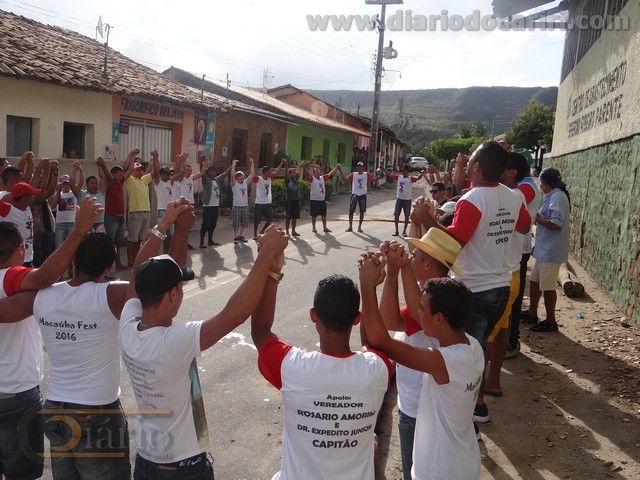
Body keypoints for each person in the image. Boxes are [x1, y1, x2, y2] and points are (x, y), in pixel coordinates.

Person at [119, 200, 288, 479]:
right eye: (180, 287)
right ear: (173, 294)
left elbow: (138, 272)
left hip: (148, 463)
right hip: (182, 470)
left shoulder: (129, 324)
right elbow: (234, 314)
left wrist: (169, 226)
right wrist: (266, 256)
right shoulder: (172, 342)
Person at [411, 140, 531, 426]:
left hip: (474, 289)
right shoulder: (513, 197)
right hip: (501, 286)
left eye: (470, 162)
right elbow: (525, 226)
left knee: (466, 354)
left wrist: (427, 219)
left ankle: (469, 413)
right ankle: (476, 405)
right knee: (478, 349)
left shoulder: (473, 199)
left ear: (476, 167)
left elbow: (454, 243)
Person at [0, 233, 131, 479]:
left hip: (55, 407)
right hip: (96, 410)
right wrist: (164, 228)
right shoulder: (113, 295)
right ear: (109, 269)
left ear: (73, 262)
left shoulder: (41, 296)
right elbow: (158, 285)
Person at [251, 252, 393, 479]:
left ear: (313, 316)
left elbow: (260, 330)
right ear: (356, 319)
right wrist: (368, 287)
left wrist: (272, 272)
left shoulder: (292, 367)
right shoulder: (378, 369)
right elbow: (374, 342)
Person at [0, 197, 101, 480]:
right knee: (23, 474)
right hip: (16, 393)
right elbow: (45, 278)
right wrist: (79, 231)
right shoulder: (9, 276)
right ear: (20, 249)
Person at [359, 255, 484, 480]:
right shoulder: (473, 347)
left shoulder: (443, 362)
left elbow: (378, 339)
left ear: (438, 318)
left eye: (421, 309)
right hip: (464, 461)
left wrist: (366, 285)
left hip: (440, 471)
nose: (417, 314)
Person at [378, 228, 463, 480]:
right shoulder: (432, 292)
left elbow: (413, 315)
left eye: (414, 255)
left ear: (427, 265)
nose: (410, 257)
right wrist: (394, 271)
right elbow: (390, 319)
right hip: (415, 402)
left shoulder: (436, 302)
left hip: (419, 408)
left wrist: (400, 268)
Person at [484, 151, 538, 395]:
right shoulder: (514, 194)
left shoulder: (515, 194)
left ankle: (480, 395)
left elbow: (522, 224)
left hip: (503, 271)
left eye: (502, 169)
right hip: (509, 268)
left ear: (512, 171)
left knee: (487, 334)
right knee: (501, 327)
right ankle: (492, 381)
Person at [524, 167, 571, 333]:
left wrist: (537, 219)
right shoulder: (552, 196)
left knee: (548, 287)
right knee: (535, 281)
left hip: (551, 250)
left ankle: (551, 321)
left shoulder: (557, 197)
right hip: (545, 248)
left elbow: (556, 224)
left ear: (545, 183)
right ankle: (532, 313)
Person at [123, 148, 153, 266]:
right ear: (132, 171)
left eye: (141, 169)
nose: (140, 171)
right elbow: (126, 167)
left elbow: (155, 171)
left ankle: (136, 260)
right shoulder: (129, 180)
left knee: (140, 239)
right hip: (135, 213)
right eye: (137, 169)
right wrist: (131, 154)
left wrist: (155, 158)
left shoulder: (144, 180)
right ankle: (130, 261)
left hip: (146, 212)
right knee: (132, 239)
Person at [0, 182, 40, 267]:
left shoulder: (28, 208)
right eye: (31, 194)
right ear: (24, 197)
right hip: (16, 260)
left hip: (29, 256)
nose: (34, 197)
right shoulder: (8, 210)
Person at [381, 164, 424, 237]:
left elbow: (418, 178)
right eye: (403, 170)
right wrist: (384, 169)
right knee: (396, 215)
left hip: (407, 199)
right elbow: (390, 174)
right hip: (399, 198)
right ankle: (396, 231)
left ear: (408, 171)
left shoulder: (410, 179)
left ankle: (404, 231)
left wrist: (422, 174)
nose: (404, 172)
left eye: (405, 171)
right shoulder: (399, 177)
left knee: (406, 216)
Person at [151, 149, 180, 253]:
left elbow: (177, 172)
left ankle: (166, 253)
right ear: (161, 174)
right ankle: (155, 252)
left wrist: (180, 160)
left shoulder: (169, 182)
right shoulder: (158, 182)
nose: (169, 175)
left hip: (170, 211)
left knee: (169, 235)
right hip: (162, 211)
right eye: (167, 173)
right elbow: (156, 170)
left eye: (169, 173)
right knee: (161, 235)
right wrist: (156, 157)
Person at [199, 159, 232, 248]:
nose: (212, 172)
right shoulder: (206, 181)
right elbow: (202, 172)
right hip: (208, 206)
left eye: (213, 171)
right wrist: (203, 162)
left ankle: (210, 240)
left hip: (215, 206)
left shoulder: (217, 180)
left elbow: (225, 173)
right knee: (206, 224)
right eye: (210, 171)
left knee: (213, 224)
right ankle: (202, 242)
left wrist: (232, 165)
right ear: (207, 173)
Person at [301, 161, 341, 233]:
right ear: (314, 173)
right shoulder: (312, 179)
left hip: (322, 200)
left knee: (324, 214)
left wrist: (336, 168)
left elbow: (330, 173)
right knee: (314, 215)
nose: (318, 172)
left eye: (318, 171)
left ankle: (325, 227)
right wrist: (304, 167)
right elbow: (308, 174)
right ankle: (314, 227)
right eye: (316, 172)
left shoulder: (322, 178)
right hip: (314, 200)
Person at [104, 152, 127, 270]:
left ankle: (118, 263)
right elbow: (107, 176)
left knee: (118, 243)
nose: (121, 177)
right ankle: (107, 267)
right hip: (111, 217)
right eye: (119, 175)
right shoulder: (109, 183)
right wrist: (102, 164)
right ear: (113, 175)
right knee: (110, 242)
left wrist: (132, 155)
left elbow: (128, 170)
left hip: (121, 216)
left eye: (121, 176)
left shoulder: (120, 183)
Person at [252, 159, 285, 240]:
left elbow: (276, 171)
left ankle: (262, 231)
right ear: (265, 172)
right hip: (259, 203)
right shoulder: (259, 179)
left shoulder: (270, 179)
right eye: (269, 172)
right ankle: (255, 234)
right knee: (257, 220)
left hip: (267, 202)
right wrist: (252, 164)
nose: (270, 173)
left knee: (270, 218)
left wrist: (281, 163)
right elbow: (252, 174)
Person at [342, 161, 374, 233]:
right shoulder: (354, 174)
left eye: (360, 166)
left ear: (363, 167)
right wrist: (340, 171)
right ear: (357, 167)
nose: (359, 167)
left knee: (362, 211)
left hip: (362, 194)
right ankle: (350, 226)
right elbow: (346, 179)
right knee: (351, 210)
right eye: (358, 166)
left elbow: (373, 179)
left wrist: (378, 176)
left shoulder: (366, 174)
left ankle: (359, 227)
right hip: (355, 194)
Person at [230, 158, 254, 243]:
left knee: (244, 222)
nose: (242, 180)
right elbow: (232, 176)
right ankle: (236, 237)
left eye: (243, 178)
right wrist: (233, 165)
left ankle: (241, 236)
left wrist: (252, 164)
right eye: (240, 178)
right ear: (236, 179)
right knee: (236, 222)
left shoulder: (245, 183)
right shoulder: (234, 184)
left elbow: (251, 175)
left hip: (245, 205)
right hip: (236, 206)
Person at [284, 161, 304, 237]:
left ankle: (293, 231)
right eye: (292, 173)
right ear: (289, 174)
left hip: (296, 200)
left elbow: (298, 171)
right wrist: (286, 165)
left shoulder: (296, 180)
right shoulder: (288, 180)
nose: (294, 174)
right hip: (290, 201)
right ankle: (287, 231)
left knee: (295, 217)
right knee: (288, 217)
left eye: (294, 173)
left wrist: (300, 165)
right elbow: (286, 173)